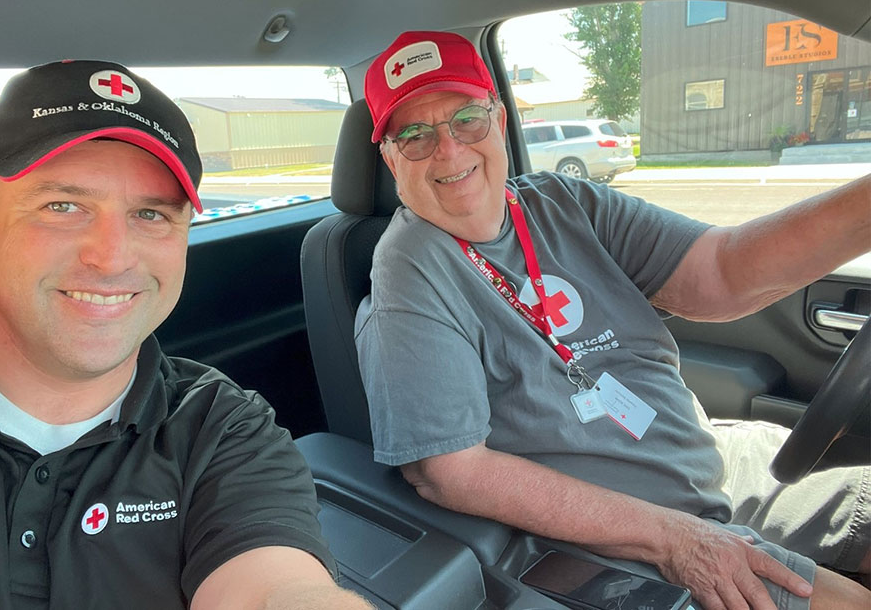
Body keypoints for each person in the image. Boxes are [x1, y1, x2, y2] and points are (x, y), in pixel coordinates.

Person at [355, 31, 871, 610]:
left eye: (467, 119)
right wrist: (676, 539)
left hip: (711, 458)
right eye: (415, 136)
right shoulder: (410, 270)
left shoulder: (563, 202)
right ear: (390, 157)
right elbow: (452, 472)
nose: (448, 150)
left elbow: (721, 272)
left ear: (499, 120)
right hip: (629, 530)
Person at [0, 60, 371, 610]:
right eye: (63, 206)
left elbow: (277, 588)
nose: (111, 258)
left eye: (151, 215)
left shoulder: (221, 428)